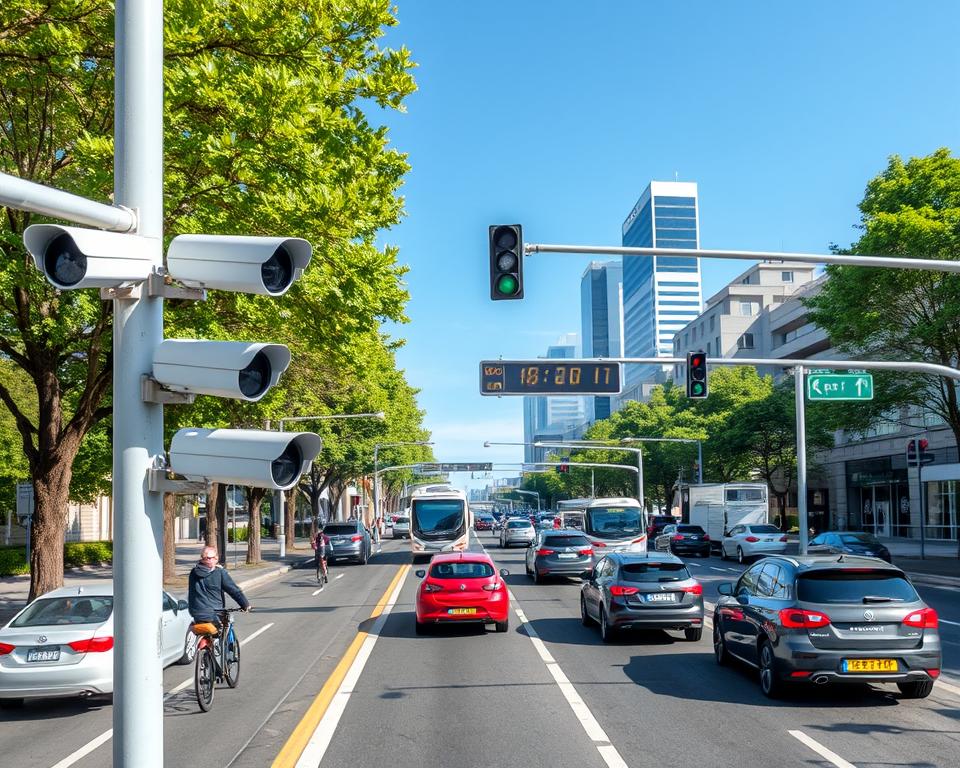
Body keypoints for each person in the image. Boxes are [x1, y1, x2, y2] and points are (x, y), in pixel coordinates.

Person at [188, 545, 251, 628]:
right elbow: (234, 591)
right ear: (217, 558)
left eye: (210, 558)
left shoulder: (193, 572)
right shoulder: (219, 573)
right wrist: (245, 604)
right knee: (222, 629)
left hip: (196, 613)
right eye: (209, 558)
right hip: (214, 613)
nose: (210, 560)